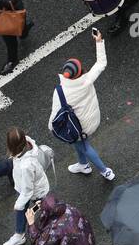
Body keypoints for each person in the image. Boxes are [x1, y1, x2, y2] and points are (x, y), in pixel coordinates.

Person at [49, 31, 116, 179]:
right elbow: (101, 63)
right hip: (91, 120)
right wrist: (99, 42)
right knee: (79, 144)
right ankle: (83, 164)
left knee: (84, 146)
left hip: (77, 127)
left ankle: (105, 171)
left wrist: (52, 128)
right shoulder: (87, 80)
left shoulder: (60, 91)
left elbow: (55, 114)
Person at [0, 127, 51, 245]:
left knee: (40, 209)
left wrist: (18, 204)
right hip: (30, 188)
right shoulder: (26, 143)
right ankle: (20, 234)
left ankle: (47, 233)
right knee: (32, 209)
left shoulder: (26, 166)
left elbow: (28, 191)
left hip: (36, 193)